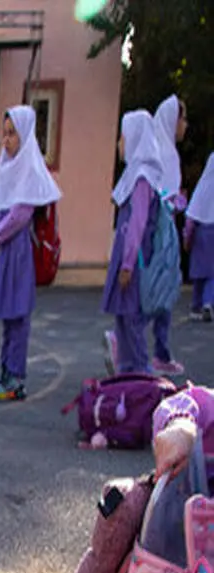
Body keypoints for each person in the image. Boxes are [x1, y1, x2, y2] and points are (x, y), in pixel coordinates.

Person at [0, 106, 61, 402]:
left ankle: (16, 378)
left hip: (17, 252)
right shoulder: (6, 166)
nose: (7, 140)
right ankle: (6, 372)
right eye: (4, 133)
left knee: (18, 315)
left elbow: (19, 216)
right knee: (8, 315)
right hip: (5, 250)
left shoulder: (29, 168)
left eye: (12, 133)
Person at [102, 110, 164, 377]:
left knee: (132, 317)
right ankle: (127, 373)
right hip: (130, 257)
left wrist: (127, 264)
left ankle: (141, 374)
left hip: (135, 260)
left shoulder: (141, 179)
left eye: (123, 137)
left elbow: (138, 222)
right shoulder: (134, 175)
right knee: (123, 317)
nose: (120, 144)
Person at [146, 95, 189, 376]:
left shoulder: (157, 150)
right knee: (160, 290)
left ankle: (161, 350)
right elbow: (162, 198)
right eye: (183, 119)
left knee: (157, 291)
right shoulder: (167, 155)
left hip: (157, 232)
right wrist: (178, 203)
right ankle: (128, 340)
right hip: (163, 235)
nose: (185, 125)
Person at [185, 153, 214, 322]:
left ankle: (196, 305)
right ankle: (208, 302)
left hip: (201, 233)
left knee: (199, 274)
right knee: (212, 275)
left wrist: (187, 239)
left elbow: (191, 218)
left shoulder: (203, 187)